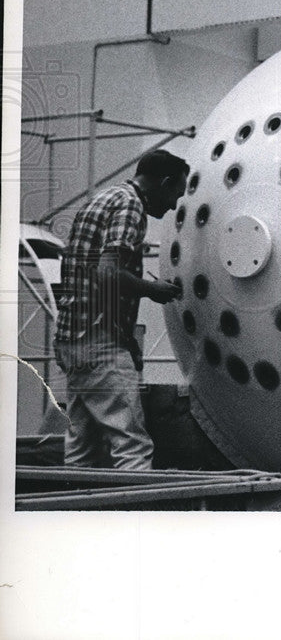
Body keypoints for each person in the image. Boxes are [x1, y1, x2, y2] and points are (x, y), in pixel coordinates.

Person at [54, 148, 189, 470]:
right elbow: (108, 274)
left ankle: (74, 513)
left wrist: (127, 341)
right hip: (99, 341)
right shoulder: (131, 206)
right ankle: (134, 517)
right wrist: (153, 290)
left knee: (83, 446)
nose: (172, 205)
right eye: (175, 194)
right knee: (132, 445)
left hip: (74, 338)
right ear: (165, 181)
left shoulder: (104, 198)